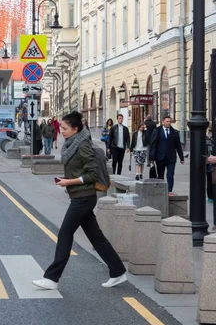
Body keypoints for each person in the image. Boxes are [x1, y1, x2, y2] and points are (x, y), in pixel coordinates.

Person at [33, 111, 127, 291]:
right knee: (96, 237)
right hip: (79, 196)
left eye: (66, 128)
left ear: (76, 129)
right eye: (61, 127)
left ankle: (52, 278)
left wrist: (69, 181)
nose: (62, 131)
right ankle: (118, 271)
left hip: (84, 198)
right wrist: (68, 180)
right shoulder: (71, 144)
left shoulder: (82, 145)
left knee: (65, 233)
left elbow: (91, 175)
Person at [149, 116, 184, 193]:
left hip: (171, 158)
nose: (169, 123)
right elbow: (153, 144)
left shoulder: (174, 132)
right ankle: (161, 191)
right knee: (160, 176)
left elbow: (178, 146)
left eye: (169, 121)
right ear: (163, 122)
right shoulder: (157, 131)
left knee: (170, 175)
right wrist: (151, 158)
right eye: (167, 121)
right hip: (160, 157)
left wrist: (181, 158)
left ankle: (169, 191)